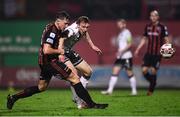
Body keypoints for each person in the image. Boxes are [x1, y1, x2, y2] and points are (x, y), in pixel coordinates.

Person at [7, 11, 108, 110]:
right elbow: (46, 50)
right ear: (58, 21)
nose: (66, 26)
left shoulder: (55, 28)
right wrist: (60, 51)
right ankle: (89, 104)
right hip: (50, 62)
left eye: (68, 23)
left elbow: (79, 34)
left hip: (46, 61)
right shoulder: (54, 31)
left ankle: (13, 98)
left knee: (41, 87)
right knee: (74, 78)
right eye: (65, 23)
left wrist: (92, 45)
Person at [57, 16, 103, 108]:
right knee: (74, 75)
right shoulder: (71, 30)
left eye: (87, 27)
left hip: (69, 51)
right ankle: (79, 103)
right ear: (78, 25)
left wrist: (93, 46)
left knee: (88, 71)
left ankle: (77, 95)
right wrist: (60, 52)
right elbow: (61, 38)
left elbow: (86, 35)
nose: (85, 29)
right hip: (61, 52)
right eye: (83, 27)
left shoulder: (83, 30)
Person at [134, 10, 170, 96]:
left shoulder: (162, 27)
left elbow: (166, 39)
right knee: (144, 71)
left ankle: (151, 90)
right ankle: (153, 83)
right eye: (151, 16)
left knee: (153, 70)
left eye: (154, 16)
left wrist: (167, 51)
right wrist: (138, 48)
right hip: (148, 53)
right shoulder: (148, 26)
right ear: (150, 17)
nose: (153, 17)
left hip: (157, 54)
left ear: (158, 17)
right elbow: (144, 39)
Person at [101, 19, 137, 95]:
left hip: (126, 56)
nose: (119, 25)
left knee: (129, 73)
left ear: (124, 24)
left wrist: (121, 51)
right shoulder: (121, 33)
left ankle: (134, 91)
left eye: (120, 24)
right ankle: (109, 90)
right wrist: (119, 52)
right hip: (120, 57)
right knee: (114, 71)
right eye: (118, 24)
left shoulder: (127, 32)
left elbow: (130, 44)